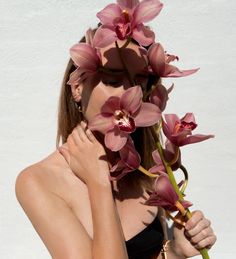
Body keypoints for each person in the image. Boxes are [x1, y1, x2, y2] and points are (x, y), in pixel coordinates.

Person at [15, 1, 216, 258]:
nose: (127, 94)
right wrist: (98, 182)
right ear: (77, 87)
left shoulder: (145, 166)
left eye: (139, 82)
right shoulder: (38, 182)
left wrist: (174, 252)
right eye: (111, 79)